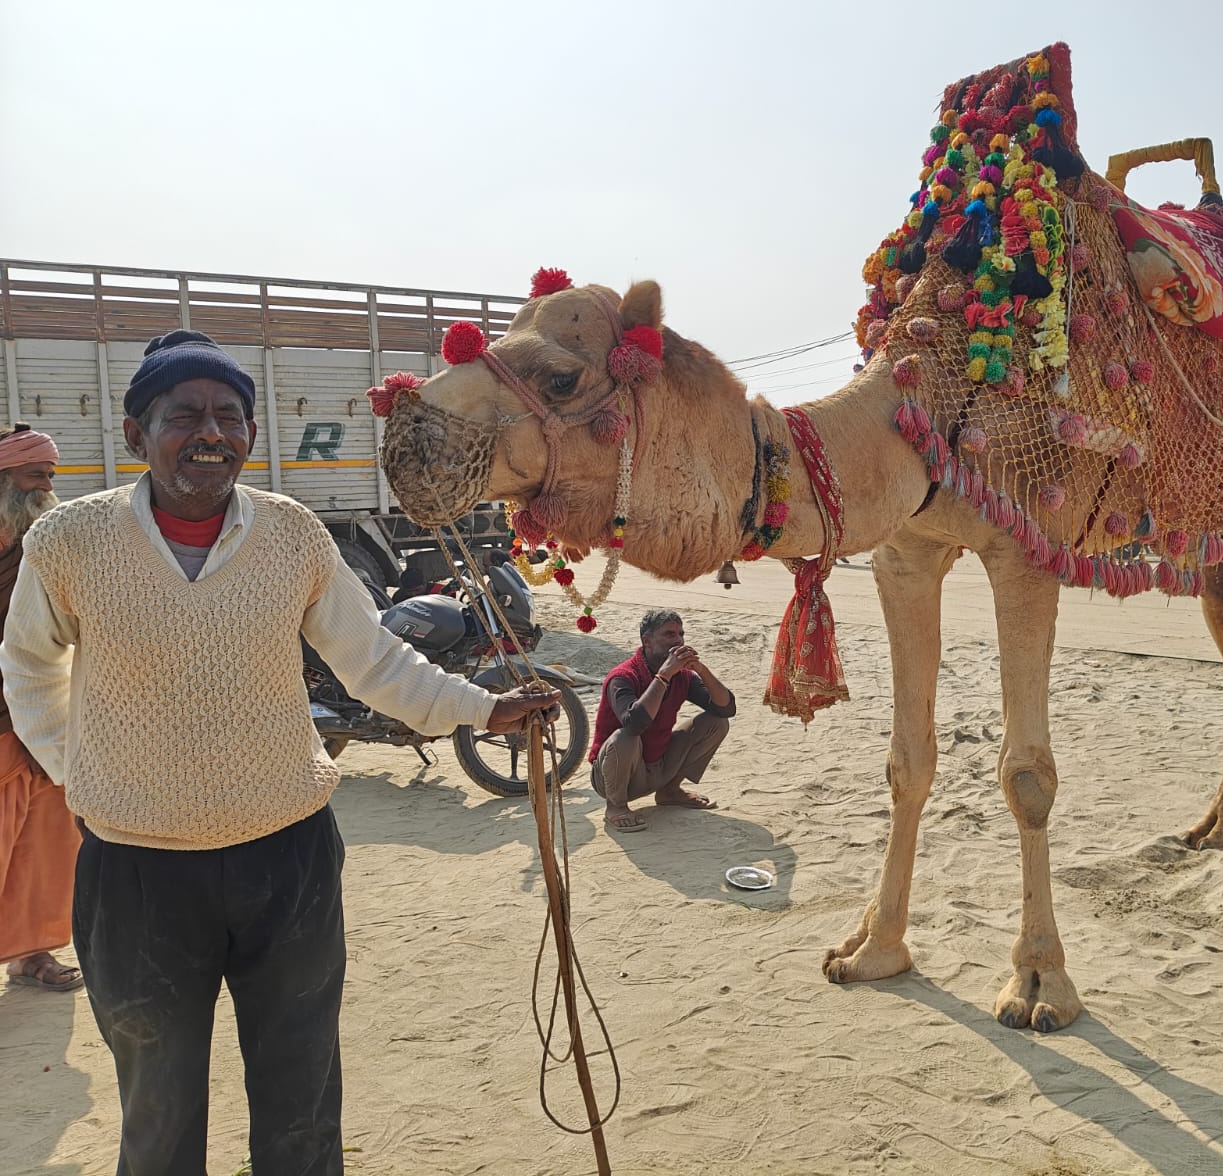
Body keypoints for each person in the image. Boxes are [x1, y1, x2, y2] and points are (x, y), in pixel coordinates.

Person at [0, 329, 561, 1176]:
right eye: (183, 413)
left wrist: (482, 710)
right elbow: (30, 667)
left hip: (286, 859)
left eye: (230, 414)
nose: (210, 431)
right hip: (136, 873)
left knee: (301, 1101)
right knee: (158, 1108)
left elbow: (372, 658)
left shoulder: (291, 533)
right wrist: (79, 777)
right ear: (134, 434)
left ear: (251, 435)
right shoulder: (71, 540)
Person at [0, 425, 82, 994]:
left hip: (43, 708)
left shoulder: (43, 540)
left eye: (51, 475)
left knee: (47, 843)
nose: (47, 485)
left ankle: (31, 953)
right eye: (35, 475)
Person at [589, 609, 736, 832]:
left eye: (680, 634)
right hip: (616, 776)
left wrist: (701, 669)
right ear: (647, 641)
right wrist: (663, 676)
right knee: (625, 737)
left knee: (716, 723)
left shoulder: (683, 676)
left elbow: (726, 708)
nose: (678, 640)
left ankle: (670, 791)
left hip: (657, 768)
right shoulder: (623, 677)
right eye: (669, 634)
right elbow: (634, 723)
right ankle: (616, 806)